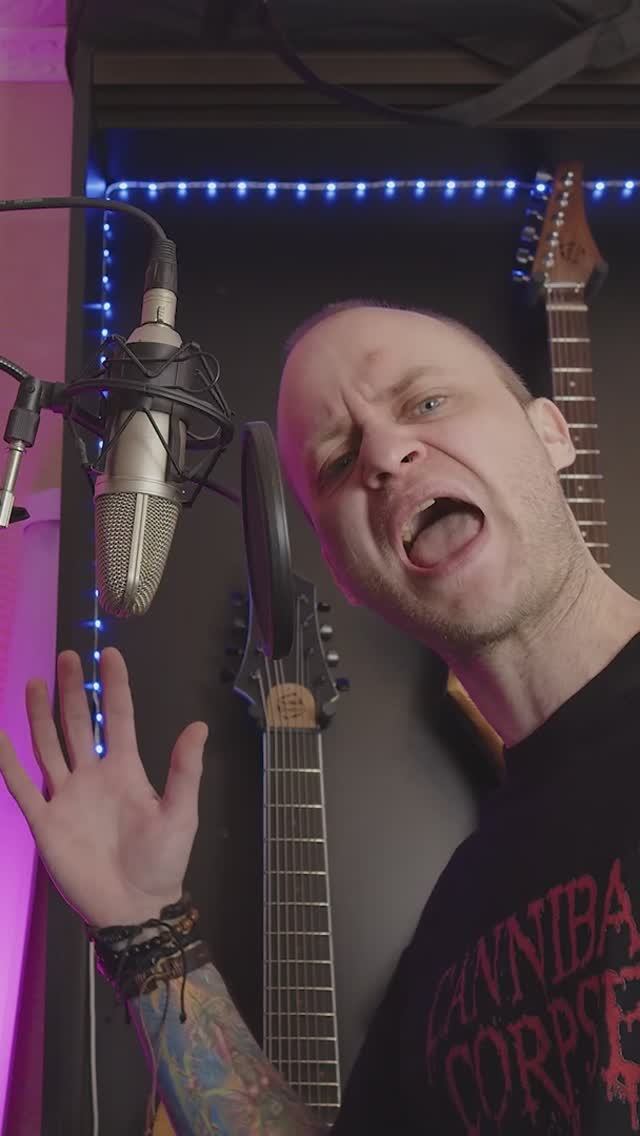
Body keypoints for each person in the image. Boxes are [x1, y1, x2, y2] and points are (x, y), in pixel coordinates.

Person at [2, 301, 640, 1135]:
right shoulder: (456, 940)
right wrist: (144, 931)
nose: (384, 453)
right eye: (337, 461)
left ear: (552, 432)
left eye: (427, 402)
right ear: (341, 571)